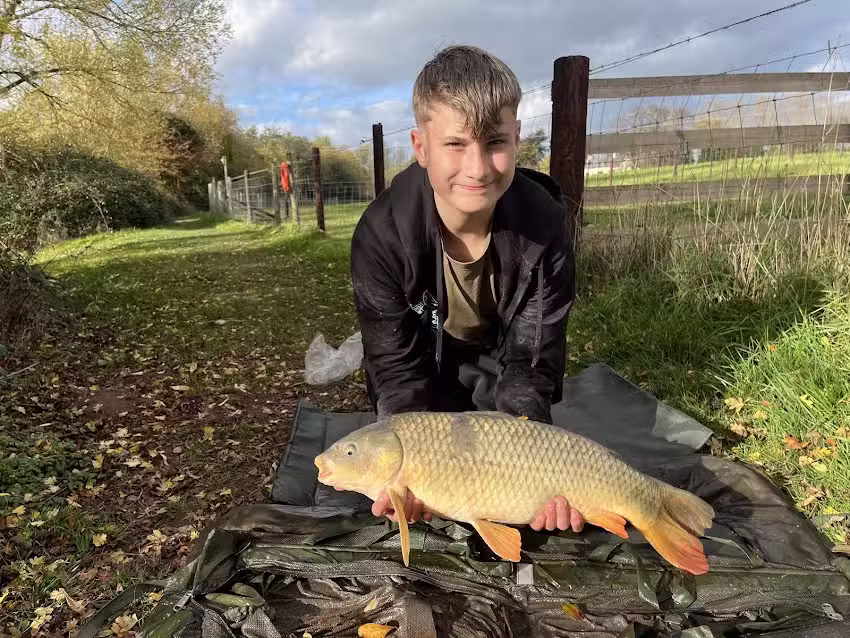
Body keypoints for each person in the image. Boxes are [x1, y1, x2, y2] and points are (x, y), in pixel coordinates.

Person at [349, 45, 584, 534]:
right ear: (421, 147)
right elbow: (393, 368)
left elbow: (533, 360)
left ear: (517, 138)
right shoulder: (381, 234)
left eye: (495, 142)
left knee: (524, 474)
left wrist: (533, 458)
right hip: (423, 358)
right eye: (456, 144)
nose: (478, 168)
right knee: (408, 461)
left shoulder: (546, 225)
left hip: (500, 357)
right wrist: (412, 473)